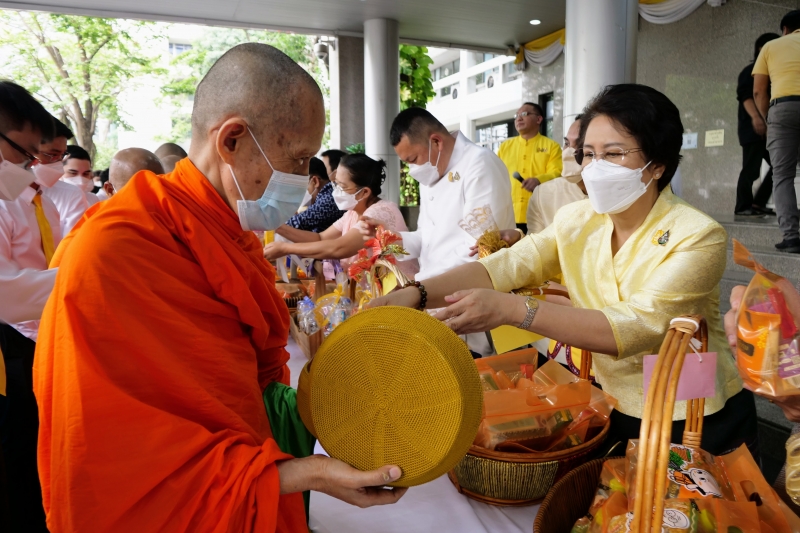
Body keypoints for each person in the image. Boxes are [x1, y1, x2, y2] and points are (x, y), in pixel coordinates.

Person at [34, 43, 406, 533]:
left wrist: (330, 402)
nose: (302, 179)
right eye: (296, 159)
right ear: (231, 139)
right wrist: (296, 474)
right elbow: (107, 452)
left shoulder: (228, 233)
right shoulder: (114, 252)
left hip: (238, 479)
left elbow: (248, 387)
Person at [373, 84, 756, 457]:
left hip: (689, 412)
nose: (594, 167)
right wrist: (418, 292)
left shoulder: (698, 234)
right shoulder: (578, 219)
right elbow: (508, 264)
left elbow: (639, 323)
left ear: (657, 165)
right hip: (606, 399)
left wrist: (511, 311)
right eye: (588, 153)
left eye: (614, 153)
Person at [380, 107, 513, 356]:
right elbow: (427, 239)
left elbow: (478, 249)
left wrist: (419, 290)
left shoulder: (478, 164)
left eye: (412, 160)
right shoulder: (432, 173)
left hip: (465, 296)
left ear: (436, 142)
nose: (413, 170)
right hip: (431, 293)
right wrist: (389, 241)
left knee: (472, 370)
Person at [0, 80, 60, 533]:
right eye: (23, 152)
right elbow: (6, 292)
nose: (29, 165)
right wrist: (91, 275)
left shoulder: (34, 203)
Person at [264, 154, 417, 277]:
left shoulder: (380, 212)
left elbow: (340, 248)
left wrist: (286, 248)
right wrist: (278, 226)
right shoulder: (352, 213)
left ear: (364, 192)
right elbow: (321, 238)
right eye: (335, 184)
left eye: (342, 187)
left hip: (397, 297)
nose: (336, 191)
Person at [753, 10, 800, 252]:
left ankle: (792, 237)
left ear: (785, 29)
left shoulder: (771, 47)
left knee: (782, 176)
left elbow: (760, 91)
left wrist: (768, 119)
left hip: (783, 108)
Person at [497, 102, 562, 234]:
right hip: (509, 213)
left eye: (524, 114)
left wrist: (539, 180)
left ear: (539, 119)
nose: (519, 118)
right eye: (517, 115)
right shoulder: (505, 146)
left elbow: (557, 173)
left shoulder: (552, 146)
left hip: (539, 213)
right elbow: (495, 175)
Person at [736, 33, 780, 217]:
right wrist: (757, 118)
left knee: (779, 166)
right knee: (751, 169)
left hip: (768, 129)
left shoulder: (772, 71)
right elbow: (746, 95)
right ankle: (742, 207)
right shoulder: (751, 70)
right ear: (761, 48)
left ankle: (758, 203)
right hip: (752, 128)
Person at [526, 115, 587, 235]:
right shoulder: (543, 195)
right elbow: (533, 246)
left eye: (581, 144)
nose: (569, 152)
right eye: (566, 143)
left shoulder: (619, 197)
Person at [35, 117, 90, 237]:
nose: (57, 162)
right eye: (52, 154)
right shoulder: (9, 196)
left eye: (62, 155)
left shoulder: (71, 194)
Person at [275, 156, 345, 238]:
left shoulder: (329, 199)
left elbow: (294, 224)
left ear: (315, 181)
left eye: (299, 188)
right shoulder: (325, 194)